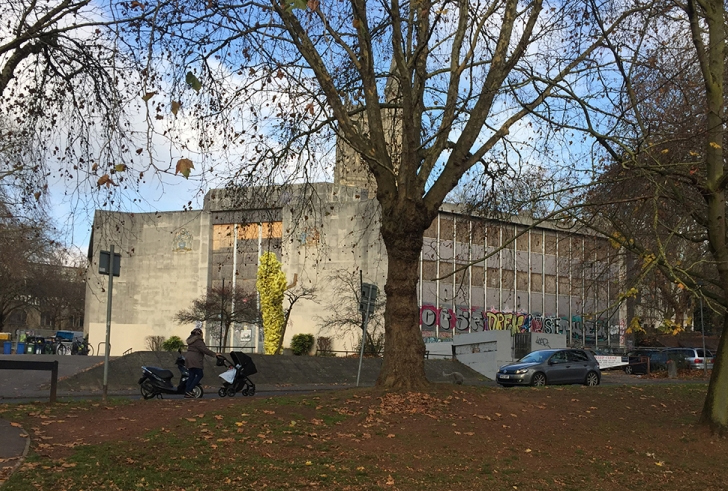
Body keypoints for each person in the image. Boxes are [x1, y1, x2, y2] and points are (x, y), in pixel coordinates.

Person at [184, 327, 219, 398]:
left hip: (189, 358)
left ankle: (187, 392)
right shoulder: (198, 341)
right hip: (195, 359)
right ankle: (189, 390)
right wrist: (215, 354)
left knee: (191, 376)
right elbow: (204, 350)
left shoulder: (191, 341)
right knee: (200, 374)